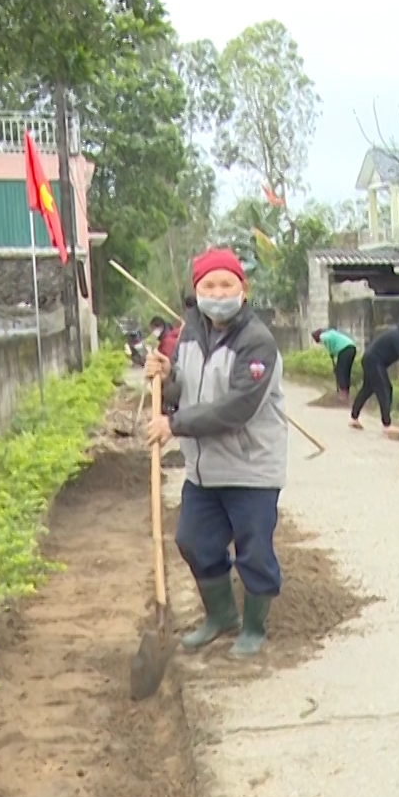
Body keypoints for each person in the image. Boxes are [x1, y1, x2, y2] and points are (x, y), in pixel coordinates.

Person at [144, 248, 288, 658]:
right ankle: (222, 615)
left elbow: (238, 408)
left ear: (243, 291)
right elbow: (182, 394)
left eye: (227, 284)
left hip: (250, 469)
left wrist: (174, 425)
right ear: (197, 291)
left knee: (254, 549)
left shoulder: (257, 342)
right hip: (203, 471)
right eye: (210, 285)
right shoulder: (189, 334)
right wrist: (165, 378)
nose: (218, 292)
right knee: (193, 540)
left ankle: (255, 627)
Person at [352, 317, 399, 436]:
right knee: (385, 390)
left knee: (367, 390)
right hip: (374, 361)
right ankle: (387, 425)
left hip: (371, 360)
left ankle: (353, 418)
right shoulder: (398, 338)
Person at [313, 327, 359, 402]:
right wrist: (332, 354)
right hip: (352, 348)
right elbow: (332, 344)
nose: (320, 342)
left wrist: (331, 353)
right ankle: (346, 392)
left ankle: (343, 394)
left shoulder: (323, 336)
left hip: (344, 349)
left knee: (340, 371)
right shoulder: (332, 333)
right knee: (346, 371)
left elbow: (328, 343)